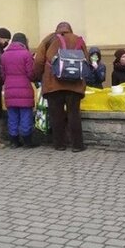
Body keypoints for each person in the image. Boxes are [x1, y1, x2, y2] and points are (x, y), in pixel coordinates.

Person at [34, 22, 88, 152]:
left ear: (57, 29)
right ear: (70, 29)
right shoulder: (78, 39)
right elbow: (86, 59)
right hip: (74, 85)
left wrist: (37, 76)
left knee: (56, 115)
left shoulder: (49, 39)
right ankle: (77, 145)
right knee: (74, 114)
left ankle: (59, 144)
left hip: (53, 84)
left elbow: (39, 60)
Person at [0, 33, 37, 148]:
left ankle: (14, 141)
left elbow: (2, 74)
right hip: (24, 89)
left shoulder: (4, 55)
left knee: (12, 116)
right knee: (26, 114)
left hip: (9, 89)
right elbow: (31, 73)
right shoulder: (26, 54)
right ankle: (27, 141)